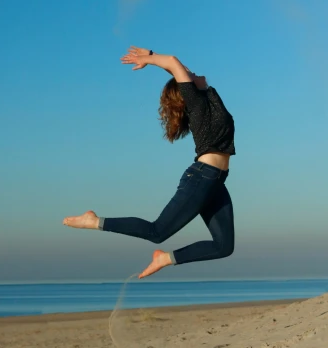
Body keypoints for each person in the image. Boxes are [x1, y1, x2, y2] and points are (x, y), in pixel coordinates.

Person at [63, 46, 235, 279]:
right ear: (185, 91)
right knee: (157, 231)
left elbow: (185, 71)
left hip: (216, 182)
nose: (191, 73)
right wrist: (151, 58)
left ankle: (165, 258)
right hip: (202, 177)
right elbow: (174, 63)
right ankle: (94, 221)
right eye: (186, 76)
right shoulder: (197, 104)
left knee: (223, 246)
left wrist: (154, 55)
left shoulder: (209, 95)